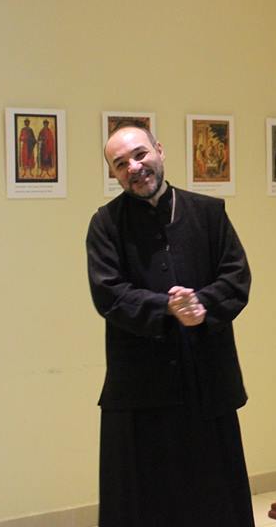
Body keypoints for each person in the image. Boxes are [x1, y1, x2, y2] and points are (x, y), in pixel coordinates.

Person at [86, 125, 254, 527]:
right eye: (121, 164)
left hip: (205, 379)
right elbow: (109, 294)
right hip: (140, 388)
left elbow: (236, 278)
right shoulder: (105, 224)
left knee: (214, 502)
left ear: (159, 151)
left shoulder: (209, 214)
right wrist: (167, 307)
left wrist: (201, 305)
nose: (134, 167)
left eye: (140, 154)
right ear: (114, 173)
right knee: (143, 505)